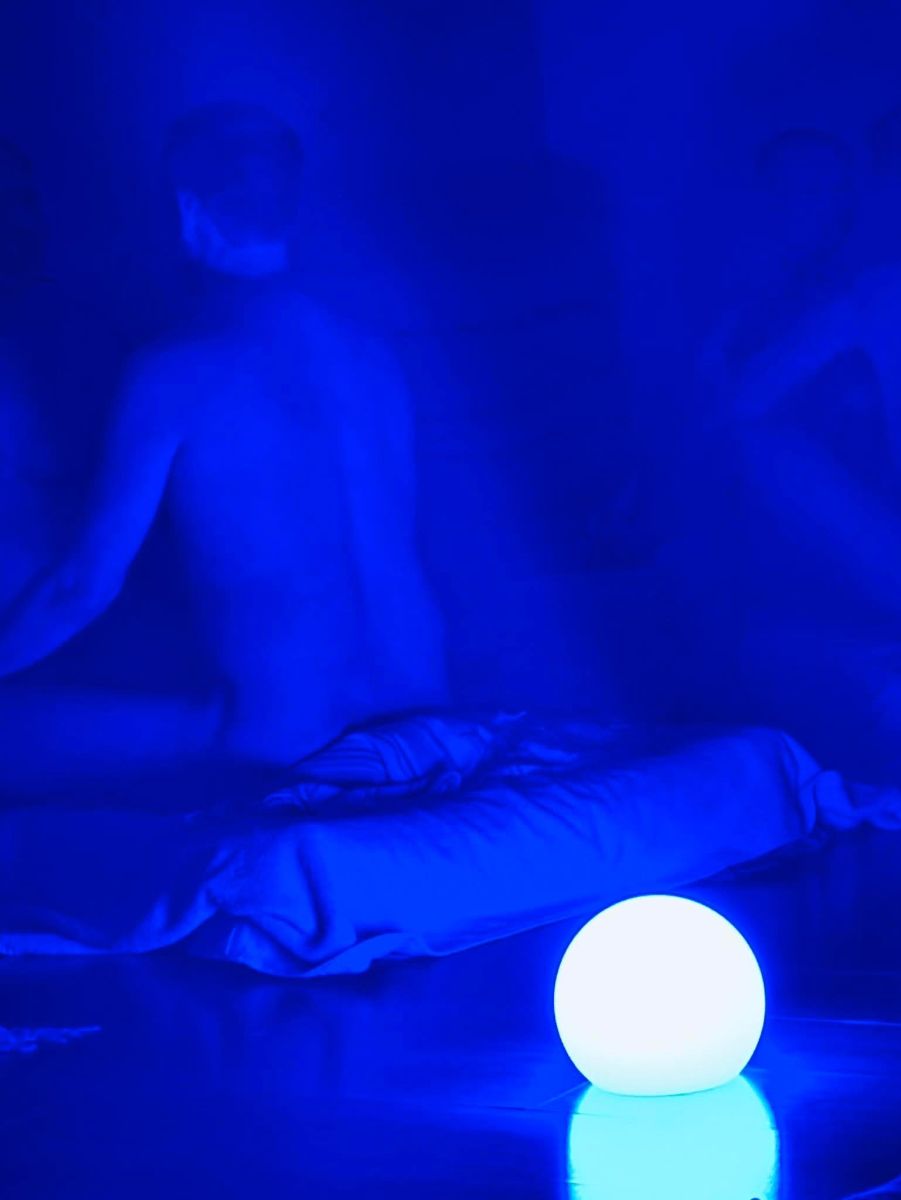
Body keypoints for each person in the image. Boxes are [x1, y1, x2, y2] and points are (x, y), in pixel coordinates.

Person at [0, 104, 447, 788]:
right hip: (423, 721)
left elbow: (79, 588)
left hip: (285, 742)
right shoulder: (373, 356)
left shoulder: (174, 369)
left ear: (186, 213)